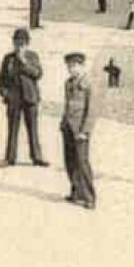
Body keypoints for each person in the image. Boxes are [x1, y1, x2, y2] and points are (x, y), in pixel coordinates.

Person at [0, 28, 48, 167]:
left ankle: (37, 157)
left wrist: (24, 62)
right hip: (14, 98)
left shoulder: (32, 56)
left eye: (23, 43)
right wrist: (4, 93)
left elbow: (38, 74)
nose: (19, 46)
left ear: (27, 44)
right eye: (17, 43)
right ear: (13, 43)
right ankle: (10, 158)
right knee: (12, 129)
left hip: (30, 97)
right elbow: (1, 78)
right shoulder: (8, 58)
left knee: (33, 128)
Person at [60, 51, 97, 209]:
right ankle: (76, 192)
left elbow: (91, 110)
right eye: (69, 66)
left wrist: (85, 130)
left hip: (80, 130)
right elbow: (67, 105)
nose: (71, 69)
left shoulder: (88, 83)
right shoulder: (68, 83)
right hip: (68, 126)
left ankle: (89, 197)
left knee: (82, 163)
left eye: (74, 66)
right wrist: (62, 123)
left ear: (82, 66)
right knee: (70, 161)